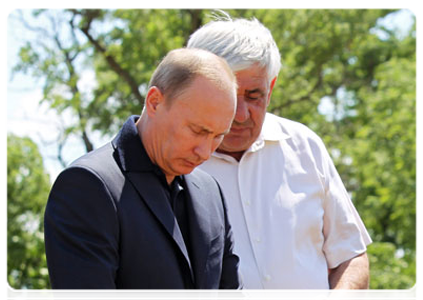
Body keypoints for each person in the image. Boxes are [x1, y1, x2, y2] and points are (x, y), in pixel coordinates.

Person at [187, 13, 372, 300]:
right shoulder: (177, 163)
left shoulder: (305, 145)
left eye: (254, 95)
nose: (240, 114)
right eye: (230, 95)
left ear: (271, 88)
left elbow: (351, 255)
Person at [44, 48, 250, 300]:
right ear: (154, 102)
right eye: (197, 130)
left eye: (218, 136)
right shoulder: (87, 186)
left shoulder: (211, 192)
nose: (205, 152)